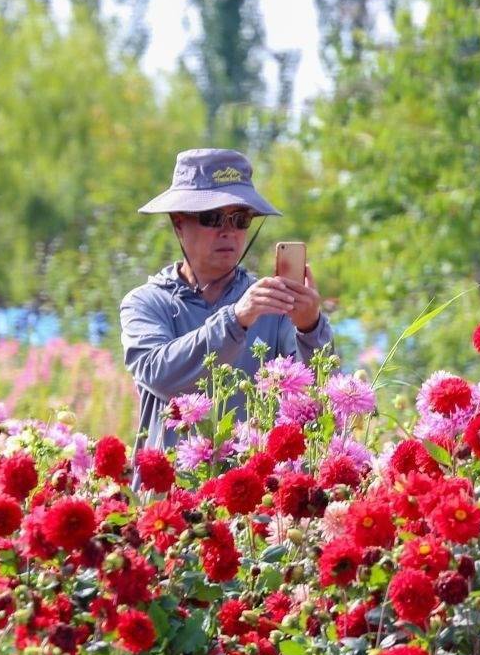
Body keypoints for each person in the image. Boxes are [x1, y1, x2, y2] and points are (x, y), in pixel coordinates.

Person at [121, 148, 331, 449]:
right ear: (179, 223)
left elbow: (320, 402)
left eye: (240, 219)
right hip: (169, 490)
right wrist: (235, 320)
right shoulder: (146, 302)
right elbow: (160, 375)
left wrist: (310, 329)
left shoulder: (273, 303)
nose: (228, 231)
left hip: (254, 489)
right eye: (213, 217)